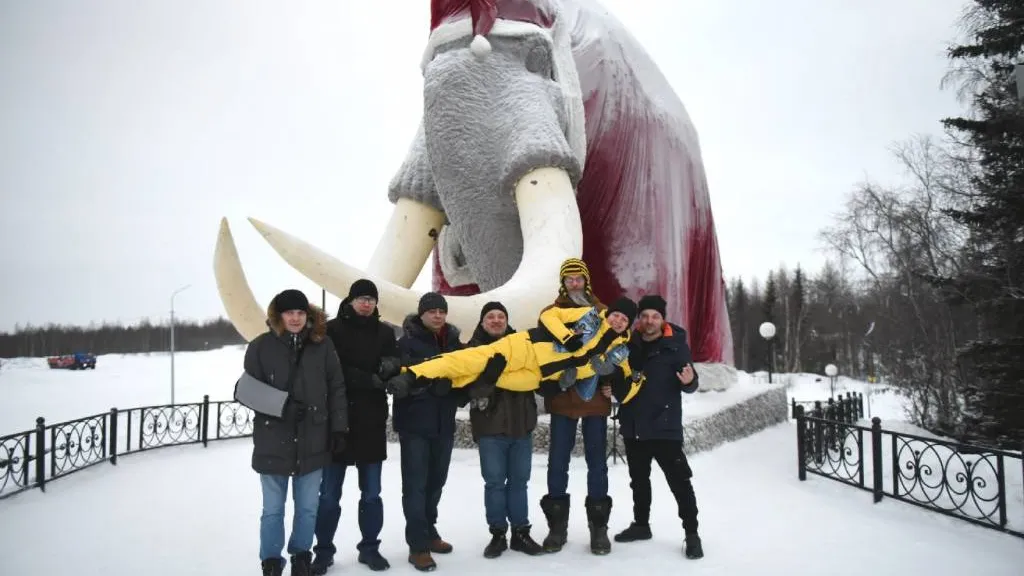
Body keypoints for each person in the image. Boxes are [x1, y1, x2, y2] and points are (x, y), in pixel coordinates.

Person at [243, 289, 348, 576]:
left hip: (314, 439)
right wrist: (283, 407)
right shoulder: (260, 347)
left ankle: (301, 555)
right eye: (290, 312)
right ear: (278, 315)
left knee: (307, 508)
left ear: (308, 315)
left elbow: (336, 387)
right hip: (273, 440)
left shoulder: (322, 346)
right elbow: (248, 392)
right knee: (273, 510)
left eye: (301, 313)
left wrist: (339, 428)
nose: (295, 318)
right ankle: (271, 560)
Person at [605, 294, 705, 560]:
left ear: (663, 319)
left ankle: (692, 534)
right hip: (633, 426)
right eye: (646, 316)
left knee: (680, 483)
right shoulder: (628, 342)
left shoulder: (676, 345)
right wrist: (610, 389)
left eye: (655, 316)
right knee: (638, 481)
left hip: (665, 428)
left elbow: (691, 383)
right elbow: (620, 377)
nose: (650, 321)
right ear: (640, 318)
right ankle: (641, 525)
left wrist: (689, 381)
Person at [383, 295, 640, 397]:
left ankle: (417, 377)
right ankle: (412, 373)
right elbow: (549, 316)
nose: (618, 320)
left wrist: (574, 377)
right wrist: (566, 337)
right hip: (526, 348)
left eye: (624, 319)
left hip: (537, 376)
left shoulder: (621, 351)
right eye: (616, 314)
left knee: (480, 376)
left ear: (628, 324)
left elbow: (626, 383)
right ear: (610, 312)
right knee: (469, 360)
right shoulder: (589, 315)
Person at [312, 279, 401, 574]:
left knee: (372, 493)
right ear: (350, 300)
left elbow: (395, 361)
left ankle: (370, 548)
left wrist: (390, 365)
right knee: (328, 495)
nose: (366, 303)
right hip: (338, 423)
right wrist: (367, 379)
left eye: (371, 299)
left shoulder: (385, 332)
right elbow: (331, 370)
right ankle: (323, 552)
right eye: (361, 298)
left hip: (372, 422)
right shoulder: (332, 331)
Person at [536, 258, 616, 555]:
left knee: (597, 463)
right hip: (562, 398)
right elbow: (542, 352)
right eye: (568, 279)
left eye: (578, 278)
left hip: (594, 399)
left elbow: (616, 349)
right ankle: (557, 527)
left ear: (586, 281)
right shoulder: (549, 313)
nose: (573, 283)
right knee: (558, 462)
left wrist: (612, 380)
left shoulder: (603, 312)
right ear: (562, 282)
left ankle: (599, 528)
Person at [463, 302, 545, 558]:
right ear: (482, 321)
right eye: (491, 317)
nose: (496, 320)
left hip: (522, 427)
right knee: (495, 484)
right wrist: (488, 378)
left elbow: (538, 376)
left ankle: (521, 532)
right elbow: (467, 389)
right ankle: (498, 533)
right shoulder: (473, 350)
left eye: (501, 316)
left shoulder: (522, 346)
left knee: (520, 483)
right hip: (491, 429)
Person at [393, 292, 464, 572]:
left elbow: (463, 378)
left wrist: (459, 391)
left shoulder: (455, 344)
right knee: (415, 486)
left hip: (443, 423)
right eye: (432, 311)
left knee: (436, 481)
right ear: (421, 314)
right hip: (414, 425)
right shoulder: (405, 344)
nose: (437, 315)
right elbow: (397, 381)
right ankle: (418, 545)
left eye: (441, 311)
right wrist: (427, 389)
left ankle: (430, 531)